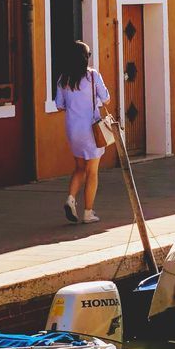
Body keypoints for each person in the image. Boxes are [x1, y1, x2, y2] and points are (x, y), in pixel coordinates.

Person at [54, 40, 110, 224]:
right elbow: (107, 99)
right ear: (85, 58)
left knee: (79, 168)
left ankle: (71, 199)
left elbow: (59, 105)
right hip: (91, 130)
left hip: (72, 129)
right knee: (92, 172)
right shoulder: (93, 76)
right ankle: (88, 212)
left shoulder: (63, 79)